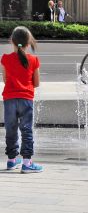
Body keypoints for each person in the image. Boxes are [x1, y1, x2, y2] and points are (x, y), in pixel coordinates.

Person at [1, 26, 44, 173]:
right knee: (26, 130)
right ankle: (27, 162)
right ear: (28, 43)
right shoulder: (33, 60)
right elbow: (36, 83)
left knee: (10, 129)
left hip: (9, 99)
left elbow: (5, 80)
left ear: (11, 41)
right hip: (26, 98)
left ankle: (11, 161)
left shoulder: (5, 59)